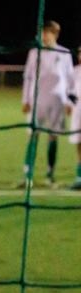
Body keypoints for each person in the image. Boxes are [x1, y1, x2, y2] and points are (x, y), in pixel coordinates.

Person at [19, 20, 76, 188]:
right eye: (42, 33)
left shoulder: (64, 53)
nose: (43, 36)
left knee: (53, 136)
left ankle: (50, 174)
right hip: (36, 100)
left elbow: (70, 79)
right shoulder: (34, 52)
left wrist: (69, 101)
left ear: (55, 34)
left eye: (47, 33)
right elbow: (28, 77)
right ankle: (27, 174)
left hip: (57, 101)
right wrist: (25, 100)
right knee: (33, 135)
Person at [70, 46, 81, 190]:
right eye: (79, 53)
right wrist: (71, 103)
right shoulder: (75, 71)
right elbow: (70, 92)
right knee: (79, 143)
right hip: (78, 111)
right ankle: (79, 177)